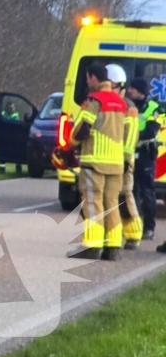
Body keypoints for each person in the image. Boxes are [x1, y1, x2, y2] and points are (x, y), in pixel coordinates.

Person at [67, 62, 127, 261]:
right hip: (116, 163)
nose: (87, 81)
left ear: (93, 77)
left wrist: (70, 144)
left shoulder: (94, 100)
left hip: (94, 161)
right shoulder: (121, 103)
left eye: (87, 78)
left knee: (93, 202)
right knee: (112, 203)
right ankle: (113, 247)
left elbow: (82, 128)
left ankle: (93, 246)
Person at [107, 64, 144, 249]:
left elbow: (129, 138)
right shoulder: (109, 103)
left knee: (124, 195)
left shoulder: (128, 107)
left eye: (109, 84)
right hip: (109, 159)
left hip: (122, 160)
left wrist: (125, 160)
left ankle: (133, 233)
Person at [126, 78, 160, 243]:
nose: (129, 90)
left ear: (140, 91)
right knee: (131, 192)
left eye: (133, 88)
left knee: (147, 193)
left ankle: (148, 228)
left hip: (145, 154)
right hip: (130, 153)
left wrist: (130, 135)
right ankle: (133, 227)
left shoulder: (153, 107)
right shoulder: (127, 105)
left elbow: (151, 131)